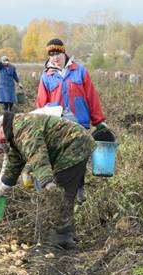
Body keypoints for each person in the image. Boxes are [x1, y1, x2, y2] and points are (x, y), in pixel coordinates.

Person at [0, 111, 96, 249]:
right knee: (66, 193)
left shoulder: (22, 127)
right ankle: (67, 234)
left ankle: (61, 238)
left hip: (74, 145)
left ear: (2, 126)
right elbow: (14, 163)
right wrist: (1, 189)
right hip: (72, 145)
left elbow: (37, 154)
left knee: (62, 193)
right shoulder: (14, 134)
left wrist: (47, 181)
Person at [36, 38, 108, 201]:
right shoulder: (46, 76)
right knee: (60, 157)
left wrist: (98, 121)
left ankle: (79, 188)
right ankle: (63, 190)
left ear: (64, 52)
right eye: (51, 54)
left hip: (79, 122)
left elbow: (91, 97)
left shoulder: (79, 70)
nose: (55, 57)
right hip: (57, 124)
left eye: (58, 53)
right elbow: (41, 103)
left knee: (80, 158)